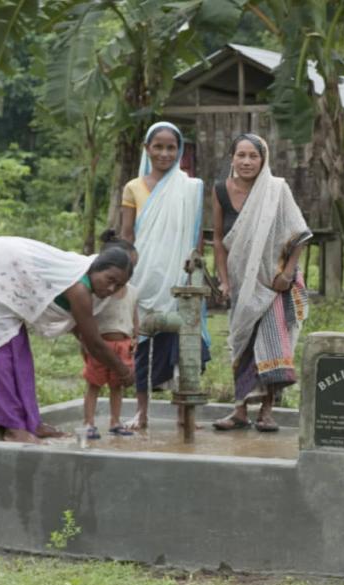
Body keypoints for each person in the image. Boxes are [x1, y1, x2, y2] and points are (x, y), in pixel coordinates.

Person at [0, 236, 135, 443]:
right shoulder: (79, 289)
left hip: (4, 276)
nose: (112, 289)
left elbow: (82, 330)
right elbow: (94, 342)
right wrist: (122, 370)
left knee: (20, 358)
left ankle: (31, 423)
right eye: (110, 279)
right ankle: (14, 429)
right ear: (95, 268)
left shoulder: (85, 282)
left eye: (119, 285)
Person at [212, 133, 311, 433]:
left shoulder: (276, 190)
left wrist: (287, 273)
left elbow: (299, 234)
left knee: (272, 345)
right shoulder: (221, 190)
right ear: (232, 158)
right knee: (242, 344)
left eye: (253, 156)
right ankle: (240, 410)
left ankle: (267, 412)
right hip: (242, 286)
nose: (246, 161)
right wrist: (224, 282)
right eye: (240, 155)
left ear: (263, 159)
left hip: (274, 284)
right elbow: (218, 240)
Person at [120, 121, 209, 430]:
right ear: (147, 149)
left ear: (179, 151)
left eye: (171, 147)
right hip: (142, 277)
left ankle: (183, 415)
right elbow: (127, 234)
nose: (164, 153)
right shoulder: (133, 187)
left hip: (178, 277)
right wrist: (124, 277)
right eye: (158, 146)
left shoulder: (190, 187)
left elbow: (195, 235)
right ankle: (141, 413)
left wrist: (194, 269)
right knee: (141, 345)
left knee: (181, 345)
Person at [81, 230, 139, 439]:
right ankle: (89, 423)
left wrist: (136, 338)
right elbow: (87, 320)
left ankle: (115, 421)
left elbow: (134, 316)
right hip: (101, 345)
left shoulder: (132, 291)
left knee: (118, 385)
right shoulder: (100, 291)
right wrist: (86, 346)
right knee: (94, 384)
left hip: (124, 344)